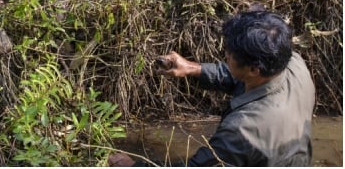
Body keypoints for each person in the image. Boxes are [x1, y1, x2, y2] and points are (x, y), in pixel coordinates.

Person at [109, 10, 315, 166]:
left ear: (253, 69)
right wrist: (192, 68)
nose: (226, 54)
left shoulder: (242, 129)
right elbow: (240, 77)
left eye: (230, 54)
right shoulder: (293, 63)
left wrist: (134, 166)